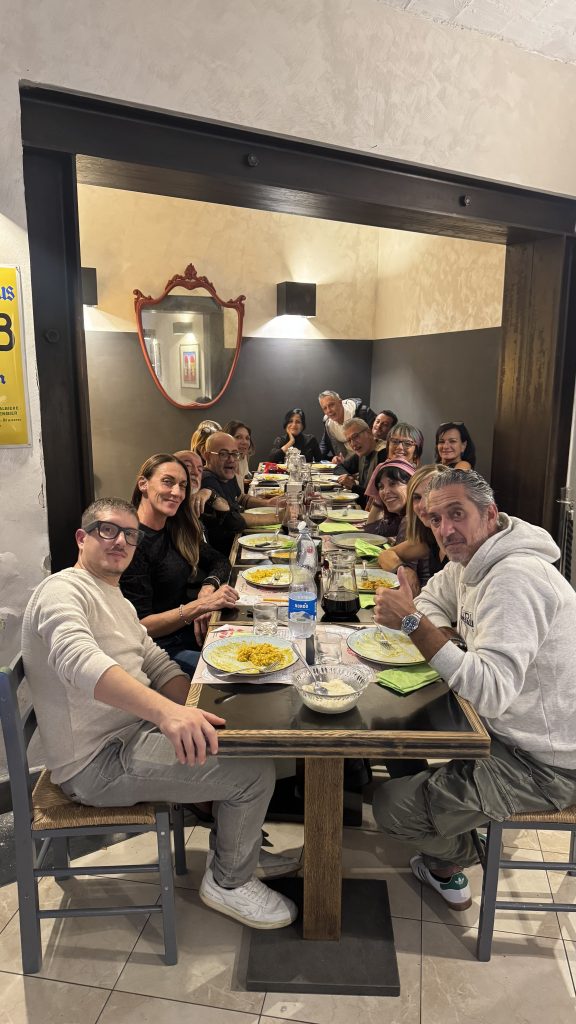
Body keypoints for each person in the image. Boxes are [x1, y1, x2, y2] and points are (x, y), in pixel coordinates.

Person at [21, 497, 299, 929]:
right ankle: (229, 882)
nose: (120, 542)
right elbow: (79, 662)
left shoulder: (112, 595)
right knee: (253, 774)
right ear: (81, 538)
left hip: (130, 734)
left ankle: (237, 851)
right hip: (96, 762)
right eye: (107, 530)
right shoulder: (62, 591)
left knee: (249, 740)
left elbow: (155, 661)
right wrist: (168, 715)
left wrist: (194, 706)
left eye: (129, 535)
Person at [372, 469, 576, 912]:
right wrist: (441, 633)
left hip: (546, 764)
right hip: (501, 731)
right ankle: (452, 819)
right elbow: (431, 600)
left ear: (489, 514)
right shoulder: (470, 562)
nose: (445, 529)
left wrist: (414, 624)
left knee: (389, 805)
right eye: (435, 519)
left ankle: (458, 856)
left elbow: (489, 693)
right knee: (397, 728)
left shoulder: (515, 578)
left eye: (457, 514)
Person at [120, 454, 239, 675]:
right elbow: (141, 625)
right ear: (143, 484)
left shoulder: (175, 528)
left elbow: (220, 561)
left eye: (182, 486)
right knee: (233, 672)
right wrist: (199, 607)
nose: (177, 492)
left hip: (188, 634)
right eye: (168, 482)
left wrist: (208, 587)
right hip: (156, 650)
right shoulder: (130, 543)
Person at [200, 432, 280, 555]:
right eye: (223, 454)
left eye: (234, 454)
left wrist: (268, 503)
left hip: (239, 539)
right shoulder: (207, 480)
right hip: (226, 552)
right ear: (208, 456)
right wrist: (279, 517)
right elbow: (234, 520)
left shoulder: (226, 473)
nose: (231, 459)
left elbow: (240, 498)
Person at [377, 463, 451, 588]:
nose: (422, 505)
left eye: (430, 495)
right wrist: (403, 570)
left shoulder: (461, 543)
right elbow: (385, 555)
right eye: (417, 497)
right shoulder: (429, 537)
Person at [363, 458, 415, 548]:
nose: (386, 491)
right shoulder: (399, 517)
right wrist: (379, 501)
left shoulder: (411, 520)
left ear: (412, 485)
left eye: (393, 484)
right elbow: (371, 532)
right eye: (381, 487)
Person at [336, 418, 387, 508]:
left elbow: (375, 499)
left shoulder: (383, 454)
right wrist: (348, 477)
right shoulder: (362, 452)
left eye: (356, 437)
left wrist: (353, 486)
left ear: (369, 433)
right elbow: (338, 467)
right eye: (349, 440)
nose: (353, 444)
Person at [318, 390, 376, 462]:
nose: (329, 410)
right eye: (325, 408)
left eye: (331, 405)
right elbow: (324, 444)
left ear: (340, 402)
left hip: (368, 461)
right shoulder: (328, 423)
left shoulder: (363, 412)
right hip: (349, 464)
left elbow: (378, 437)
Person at [222, 420, 255, 490]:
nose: (244, 442)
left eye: (247, 438)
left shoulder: (243, 457)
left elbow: (240, 493)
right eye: (238, 437)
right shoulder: (223, 465)